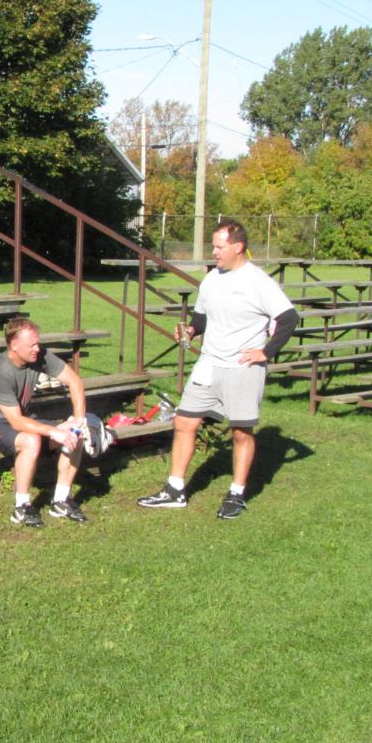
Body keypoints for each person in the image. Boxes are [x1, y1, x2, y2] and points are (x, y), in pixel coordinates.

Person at [138, 220, 298, 519]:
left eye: (219, 247)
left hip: (242, 367)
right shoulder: (211, 279)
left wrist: (265, 351)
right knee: (184, 422)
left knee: (241, 432)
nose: (214, 252)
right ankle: (175, 490)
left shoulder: (258, 281)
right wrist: (191, 330)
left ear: (238, 247)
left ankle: (236, 494)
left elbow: (289, 318)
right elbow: (202, 317)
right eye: (213, 246)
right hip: (208, 364)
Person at [0, 316, 89, 528]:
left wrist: (79, 420)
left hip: (23, 420)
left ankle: (61, 501)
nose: (37, 349)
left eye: (38, 343)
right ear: (14, 345)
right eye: (31, 345)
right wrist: (53, 431)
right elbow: (16, 421)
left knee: (75, 435)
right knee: (31, 440)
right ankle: (22, 507)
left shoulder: (38, 354)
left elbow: (75, 381)